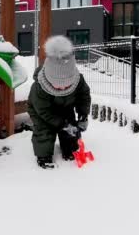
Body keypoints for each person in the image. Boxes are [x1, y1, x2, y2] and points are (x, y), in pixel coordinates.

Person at [27, 35, 91, 169]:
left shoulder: (78, 81)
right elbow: (43, 111)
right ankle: (43, 156)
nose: (62, 88)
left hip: (65, 107)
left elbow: (83, 97)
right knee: (45, 131)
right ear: (49, 78)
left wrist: (83, 115)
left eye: (66, 85)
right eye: (58, 85)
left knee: (71, 131)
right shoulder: (40, 87)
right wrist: (62, 124)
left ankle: (69, 150)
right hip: (42, 112)